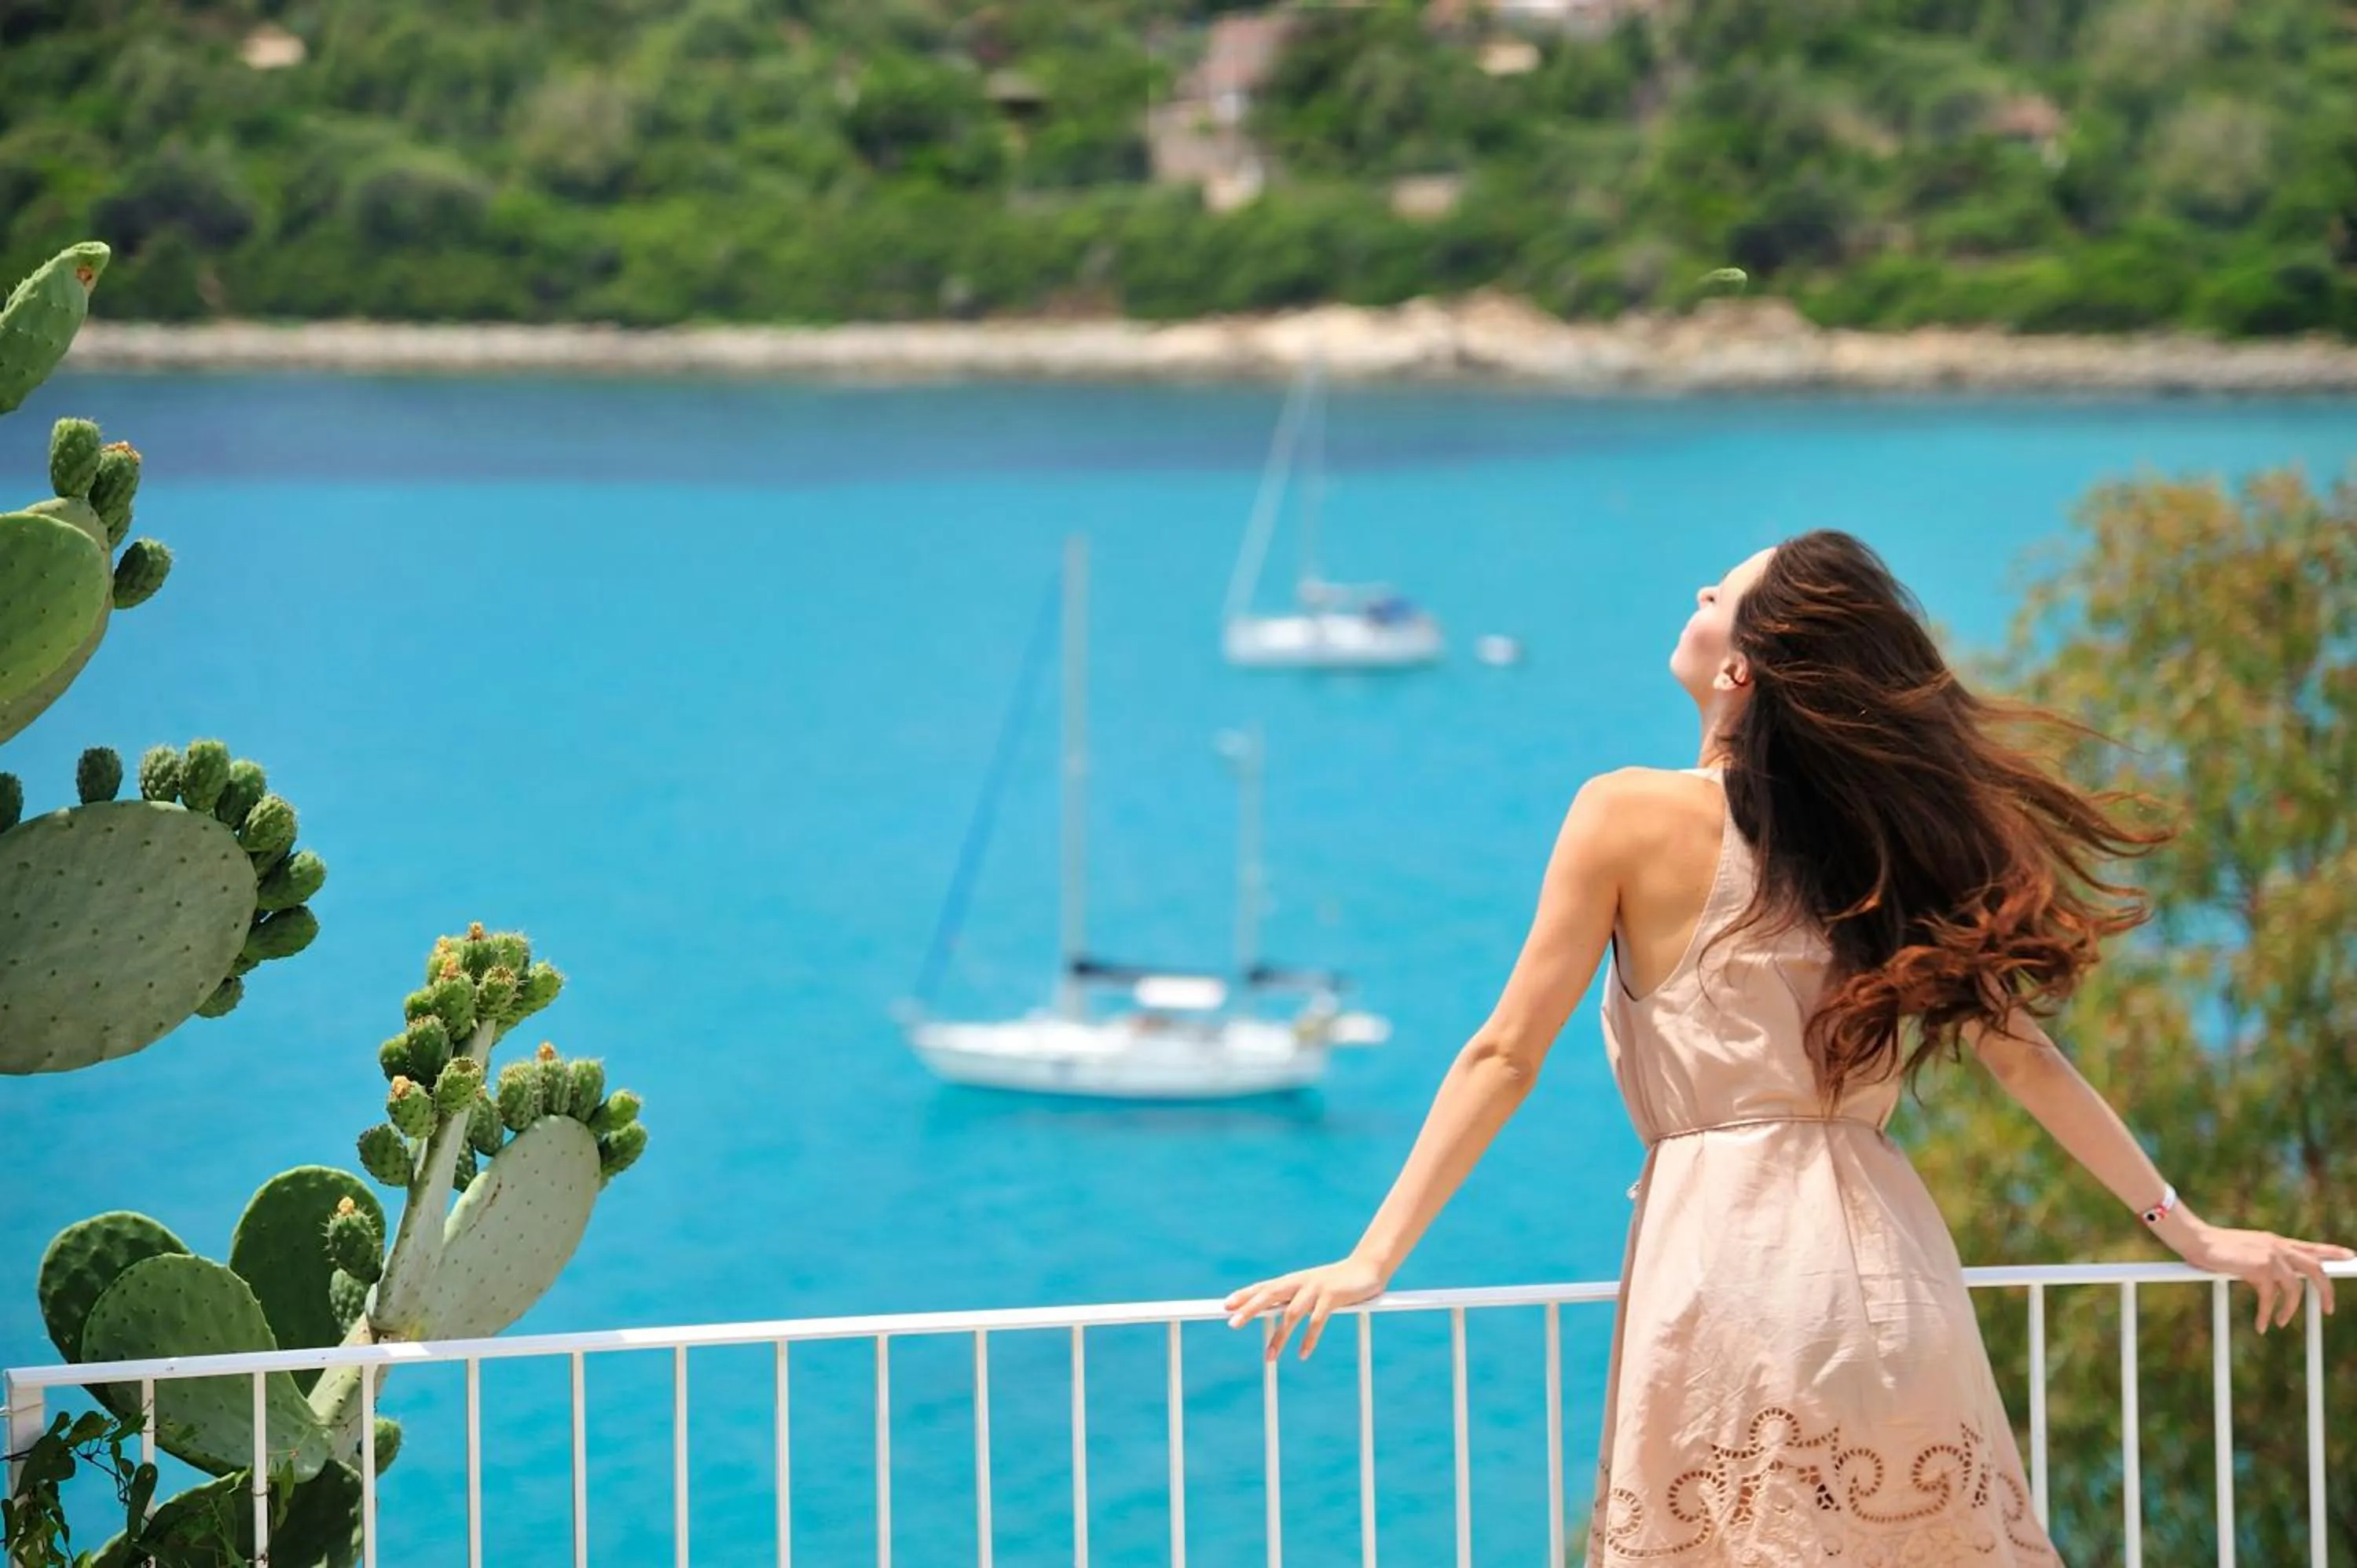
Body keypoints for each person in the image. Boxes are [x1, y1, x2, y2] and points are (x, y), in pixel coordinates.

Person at [1222, 530, 2351, 1563]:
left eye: (1724, 592)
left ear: (1741, 671)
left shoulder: (1625, 812)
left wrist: (1374, 1259)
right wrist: (2187, 1231)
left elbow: (1504, 1054)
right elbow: (2024, 1057)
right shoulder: (1876, 845)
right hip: (1896, 1273)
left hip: (1729, 1268)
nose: (1699, 592)